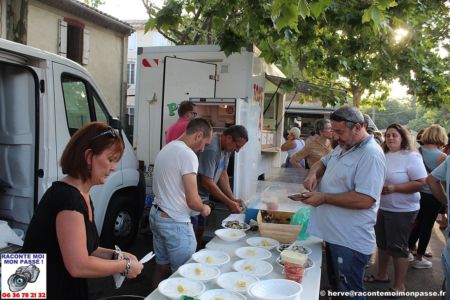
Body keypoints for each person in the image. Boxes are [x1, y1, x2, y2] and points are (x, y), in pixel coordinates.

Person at [21, 122, 143, 300]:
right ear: (88, 156)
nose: (114, 167)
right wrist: (123, 267)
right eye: (110, 159)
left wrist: (116, 255)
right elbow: (78, 265)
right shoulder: (68, 199)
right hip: (41, 288)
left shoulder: (81, 194)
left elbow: (87, 248)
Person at [293, 106, 386, 300]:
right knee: (339, 289)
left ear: (358, 127)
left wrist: (324, 197)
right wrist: (312, 174)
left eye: (340, 132)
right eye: (334, 131)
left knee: (350, 293)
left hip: (349, 240)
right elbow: (323, 162)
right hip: (334, 235)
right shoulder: (344, 146)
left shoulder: (371, 155)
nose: (335, 136)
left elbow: (365, 199)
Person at [149, 118, 212, 287]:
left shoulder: (167, 148)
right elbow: (192, 201)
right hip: (175, 222)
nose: (203, 148)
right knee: (184, 275)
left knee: (161, 266)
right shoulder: (187, 154)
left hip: (157, 215)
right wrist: (204, 208)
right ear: (199, 135)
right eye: (204, 143)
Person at [365, 124, 427, 294]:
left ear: (403, 138)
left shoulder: (411, 157)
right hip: (383, 207)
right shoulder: (383, 154)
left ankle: (399, 286)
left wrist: (394, 188)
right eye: (388, 135)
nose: (391, 138)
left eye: (395, 135)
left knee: (398, 248)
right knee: (383, 244)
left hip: (403, 210)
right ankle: (382, 275)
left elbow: (421, 183)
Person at [194, 125, 248, 245]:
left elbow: (222, 174)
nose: (237, 150)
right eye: (237, 146)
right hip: (194, 197)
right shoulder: (212, 149)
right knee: (193, 231)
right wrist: (228, 202)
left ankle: (196, 250)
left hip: (204, 197)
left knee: (200, 229)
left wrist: (232, 198)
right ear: (229, 138)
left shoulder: (226, 149)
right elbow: (206, 181)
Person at [409, 124, 447, 269]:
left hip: (417, 193)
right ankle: (419, 258)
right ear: (440, 136)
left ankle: (408, 248)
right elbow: (442, 181)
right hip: (433, 195)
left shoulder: (417, 151)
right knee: (427, 226)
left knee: (417, 223)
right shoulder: (442, 157)